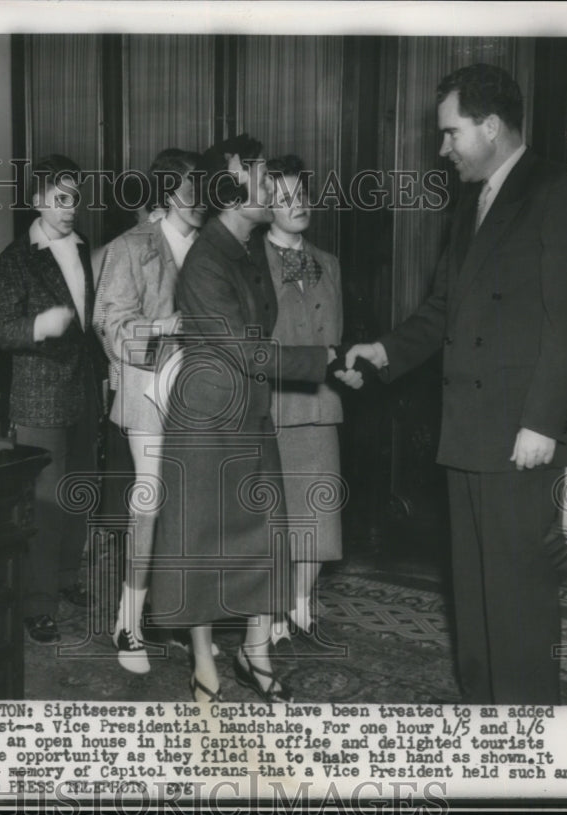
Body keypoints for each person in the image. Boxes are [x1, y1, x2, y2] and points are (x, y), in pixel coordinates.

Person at [345, 63, 567, 704]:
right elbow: (443, 308)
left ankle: (528, 734)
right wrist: (383, 350)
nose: (443, 148)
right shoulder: (473, 202)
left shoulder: (560, 191)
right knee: (475, 590)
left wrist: (542, 423)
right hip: (466, 431)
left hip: (520, 435)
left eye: (450, 133)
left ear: (490, 127)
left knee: (517, 593)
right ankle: (485, 715)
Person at [149, 134, 361, 703]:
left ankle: (256, 653)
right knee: (201, 543)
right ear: (229, 189)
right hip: (207, 423)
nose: (272, 189)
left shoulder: (243, 251)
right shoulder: (207, 258)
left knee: (265, 542)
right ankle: (202, 662)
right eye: (262, 179)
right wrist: (323, 361)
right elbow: (242, 349)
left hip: (251, 412)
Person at [93, 148, 205, 673]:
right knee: (151, 499)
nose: (200, 198)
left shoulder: (211, 248)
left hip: (200, 393)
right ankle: (128, 623)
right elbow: (111, 326)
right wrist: (165, 329)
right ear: (166, 194)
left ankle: (173, 615)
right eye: (190, 188)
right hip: (146, 390)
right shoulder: (131, 246)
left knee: (190, 506)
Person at [0, 154, 100, 645]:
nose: (69, 207)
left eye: (74, 198)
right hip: (38, 397)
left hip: (81, 391)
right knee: (44, 501)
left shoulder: (83, 248)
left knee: (77, 495)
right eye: (59, 199)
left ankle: (64, 579)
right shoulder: (17, 257)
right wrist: (41, 325)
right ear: (37, 200)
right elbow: (1, 331)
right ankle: (37, 603)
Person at [263, 155, 345, 643]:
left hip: (319, 404)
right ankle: (270, 614)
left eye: (302, 195)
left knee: (318, 516)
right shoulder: (250, 262)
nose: (297, 205)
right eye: (284, 197)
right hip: (271, 404)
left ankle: (299, 604)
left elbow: (335, 334)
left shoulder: (329, 263)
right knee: (273, 518)